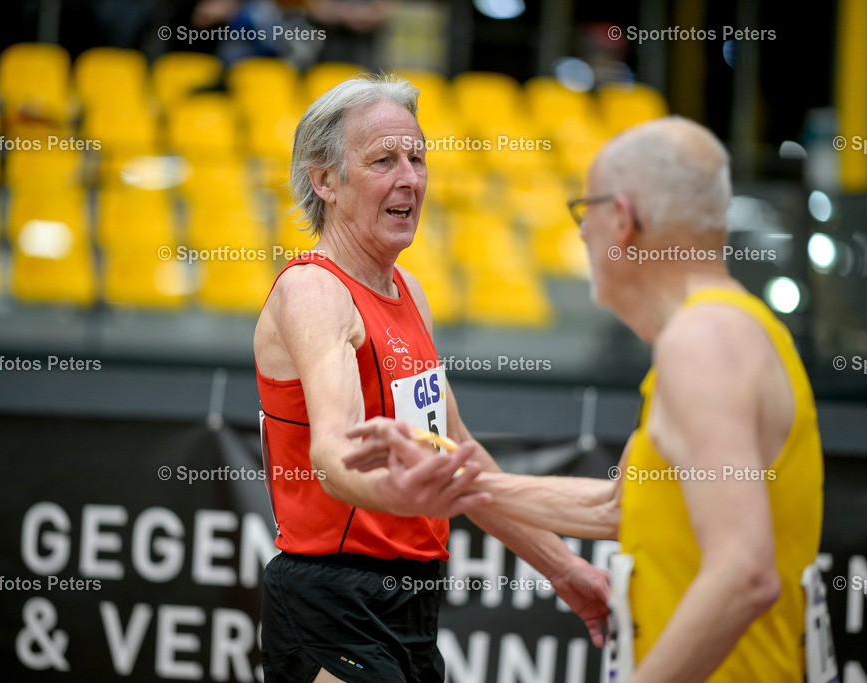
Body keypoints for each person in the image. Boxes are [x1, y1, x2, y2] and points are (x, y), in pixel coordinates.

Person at [346, 117, 827, 682]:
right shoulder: (730, 329)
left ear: (622, 219)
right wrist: (463, 482)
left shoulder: (703, 343)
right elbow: (619, 508)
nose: (582, 235)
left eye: (586, 211)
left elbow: (745, 572)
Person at [253, 73, 609, 683]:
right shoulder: (314, 289)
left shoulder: (409, 291)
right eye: (383, 160)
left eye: (417, 158)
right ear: (324, 180)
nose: (409, 178)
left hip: (413, 599)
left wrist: (564, 569)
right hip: (334, 597)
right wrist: (411, 494)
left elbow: (461, 455)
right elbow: (333, 454)